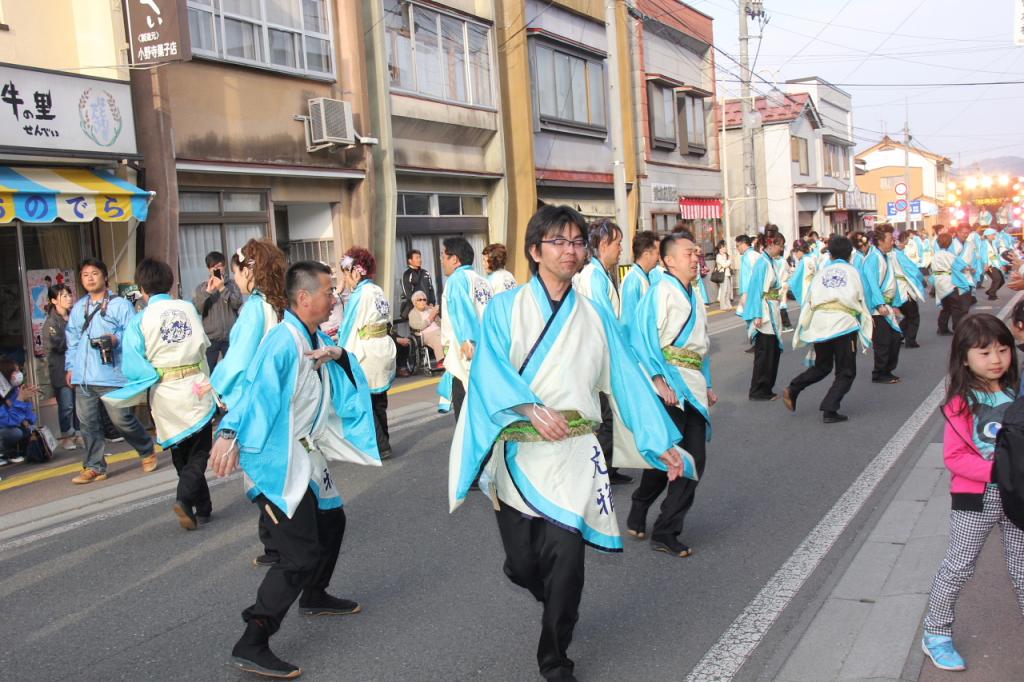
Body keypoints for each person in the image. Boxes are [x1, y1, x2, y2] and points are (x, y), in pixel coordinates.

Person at [448, 205, 692, 682]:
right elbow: (488, 372)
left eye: (578, 241)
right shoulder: (505, 308)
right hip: (518, 454)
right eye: (558, 241)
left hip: (576, 454)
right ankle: (552, 599)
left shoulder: (595, 315)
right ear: (535, 250)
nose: (570, 250)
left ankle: (555, 657)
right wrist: (527, 408)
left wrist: (657, 441)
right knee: (522, 566)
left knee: (566, 562)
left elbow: (623, 380)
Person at [208, 260, 382, 680]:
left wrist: (337, 353)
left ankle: (315, 595)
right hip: (277, 459)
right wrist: (230, 432)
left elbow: (341, 370)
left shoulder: (314, 335)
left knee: (333, 521)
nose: (335, 296)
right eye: (328, 291)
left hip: (306, 453)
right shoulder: (282, 341)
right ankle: (253, 640)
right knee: (298, 554)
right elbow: (255, 390)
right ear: (304, 298)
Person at [920, 314, 1024, 672]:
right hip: (977, 498)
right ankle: (936, 632)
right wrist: (999, 471)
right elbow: (955, 457)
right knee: (960, 566)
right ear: (964, 357)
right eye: (984, 352)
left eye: (1003, 349)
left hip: (1018, 495)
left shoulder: (1018, 392)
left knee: (1023, 566)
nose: (996, 359)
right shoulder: (961, 402)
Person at [103, 259, 217, 530]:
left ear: (142, 289)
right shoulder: (188, 308)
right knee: (200, 450)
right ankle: (186, 499)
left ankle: (201, 507)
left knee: (180, 451)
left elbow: (133, 365)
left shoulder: (140, 320)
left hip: (164, 390)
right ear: (171, 282)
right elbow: (202, 347)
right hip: (195, 385)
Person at [627, 230, 716, 557]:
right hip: (667, 384)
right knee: (672, 457)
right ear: (667, 259)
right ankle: (645, 509)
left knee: (691, 459)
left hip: (691, 386)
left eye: (696, 252)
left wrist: (706, 383)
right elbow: (641, 338)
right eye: (688, 253)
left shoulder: (695, 293)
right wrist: (658, 379)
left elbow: (701, 346)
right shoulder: (659, 291)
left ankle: (663, 527)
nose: (695, 257)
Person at [209, 239, 289, 567]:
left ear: (248, 270)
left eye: (237, 271)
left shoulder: (256, 307)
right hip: (286, 397)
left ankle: (284, 545)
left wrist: (218, 389)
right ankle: (276, 543)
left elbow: (239, 361)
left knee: (262, 475)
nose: (235, 278)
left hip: (258, 400)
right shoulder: (281, 304)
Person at [65, 258, 157, 484]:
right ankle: (94, 466)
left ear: (104, 277)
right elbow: (73, 341)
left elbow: (134, 334)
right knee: (88, 423)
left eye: (94, 273)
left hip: (112, 374)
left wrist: (117, 339)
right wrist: (70, 367)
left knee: (121, 419)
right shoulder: (79, 308)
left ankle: (146, 449)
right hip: (84, 377)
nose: (89, 278)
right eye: (85, 275)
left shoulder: (120, 305)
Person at [783, 236, 873, 423]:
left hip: (820, 323)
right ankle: (830, 408)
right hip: (843, 324)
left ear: (830, 254)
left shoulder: (821, 273)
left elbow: (808, 299)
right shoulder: (853, 271)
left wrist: (804, 325)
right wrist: (868, 318)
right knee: (846, 371)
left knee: (822, 366)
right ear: (850, 254)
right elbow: (863, 297)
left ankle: (794, 387)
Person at [574, 218, 634, 485]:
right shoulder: (594, 276)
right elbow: (606, 322)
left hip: (598, 356)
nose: (621, 248)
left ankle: (608, 467)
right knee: (605, 417)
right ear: (602, 244)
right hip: (598, 358)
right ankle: (602, 471)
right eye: (618, 243)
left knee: (606, 416)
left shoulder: (595, 274)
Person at [337, 246, 397, 460]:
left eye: (346, 273)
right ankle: (385, 443)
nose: (346, 279)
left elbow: (349, 325)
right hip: (382, 348)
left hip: (367, 351)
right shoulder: (377, 290)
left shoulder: (360, 294)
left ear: (355, 272)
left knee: (366, 400)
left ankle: (379, 445)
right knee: (379, 401)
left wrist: (340, 351)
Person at [437, 236, 492, 417]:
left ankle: (468, 444)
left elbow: (462, 313)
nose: (442, 261)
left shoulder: (456, 280)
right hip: (487, 347)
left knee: (466, 406)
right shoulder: (482, 280)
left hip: (465, 351)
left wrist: (468, 341)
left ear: (454, 259)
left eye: (444, 256)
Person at [742, 231, 786, 400]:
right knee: (765, 352)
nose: (781, 250)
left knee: (772, 352)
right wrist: (757, 314)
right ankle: (758, 389)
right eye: (780, 246)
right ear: (772, 244)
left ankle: (766, 387)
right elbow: (755, 290)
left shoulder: (769, 262)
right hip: (765, 311)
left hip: (771, 308)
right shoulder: (762, 263)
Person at [861, 225, 904, 384]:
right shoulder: (872, 258)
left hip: (887, 305)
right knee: (883, 341)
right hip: (878, 307)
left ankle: (886, 370)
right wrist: (879, 304)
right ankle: (879, 372)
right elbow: (871, 284)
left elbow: (893, 282)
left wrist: (896, 303)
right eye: (890, 239)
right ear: (879, 241)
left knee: (894, 339)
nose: (892, 242)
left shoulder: (885, 257)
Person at [193, 250, 243, 372]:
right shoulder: (202, 288)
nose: (218, 270)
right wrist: (208, 292)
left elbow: (237, 303)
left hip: (230, 336)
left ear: (225, 266)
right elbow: (197, 309)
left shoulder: (232, 285)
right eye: (214, 267)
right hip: (211, 338)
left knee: (232, 370)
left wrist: (222, 288)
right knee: (209, 371)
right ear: (209, 269)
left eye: (220, 266)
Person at [43, 284, 80, 450]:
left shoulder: (74, 317)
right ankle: (67, 435)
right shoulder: (51, 322)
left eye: (69, 295)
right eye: (63, 296)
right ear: (53, 300)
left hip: (77, 368)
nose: (68, 298)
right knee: (66, 405)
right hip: (60, 369)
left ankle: (78, 434)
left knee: (79, 403)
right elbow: (57, 345)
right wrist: (76, 338)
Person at [932, 231, 974, 336]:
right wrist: (969, 269)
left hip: (938, 281)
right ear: (950, 243)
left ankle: (942, 328)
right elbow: (959, 265)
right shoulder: (949, 255)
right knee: (956, 306)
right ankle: (957, 328)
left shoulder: (935, 255)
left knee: (946, 306)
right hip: (949, 282)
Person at [0, 358, 39, 465]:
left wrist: (24, 398)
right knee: (15, 433)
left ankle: (14, 452)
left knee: (30, 429)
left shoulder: (14, 390)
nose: (18, 374)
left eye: (18, 370)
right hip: (4, 429)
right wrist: (20, 400)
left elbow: (31, 418)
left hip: (10, 426)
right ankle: (3, 453)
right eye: (15, 371)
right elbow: (9, 421)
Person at [619, 230, 660, 326]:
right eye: (657, 253)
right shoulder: (633, 280)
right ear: (646, 254)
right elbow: (629, 320)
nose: (659, 258)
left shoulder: (645, 276)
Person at [893, 231, 926, 349]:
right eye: (906, 239)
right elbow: (912, 269)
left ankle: (898, 335)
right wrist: (921, 279)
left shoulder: (888, 254)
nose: (907, 242)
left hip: (893, 289)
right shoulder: (898, 254)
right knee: (913, 315)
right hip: (904, 288)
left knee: (907, 315)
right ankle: (910, 339)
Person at [407, 290, 444, 363]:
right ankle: (441, 361)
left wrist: (436, 315)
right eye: (419, 300)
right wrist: (430, 317)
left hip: (439, 331)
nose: (422, 301)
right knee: (438, 339)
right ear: (414, 302)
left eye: (424, 299)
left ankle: (451, 359)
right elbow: (418, 326)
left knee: (450, 336)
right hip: (426, 334)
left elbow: (440, 323)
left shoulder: (430, 309)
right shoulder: (412, 314)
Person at [400, 249, 436, 320]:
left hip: (427, 309)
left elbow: (431, 289)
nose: (420, 260)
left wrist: (431, 303)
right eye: (417, 258)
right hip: (414, 310)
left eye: (420, 257)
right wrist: (419, 305)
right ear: (410, 260)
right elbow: (408, 293)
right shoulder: (407, 274)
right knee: (417, 330)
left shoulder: (425, 273)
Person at [981, 228, 1006, 300]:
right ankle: (992, 295)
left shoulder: (993, 243)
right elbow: (983, 255)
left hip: (994, 264)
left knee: (1002, 280)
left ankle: (990, 291)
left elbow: (995, 255)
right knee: (997, 278)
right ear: (988, 235)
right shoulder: (984, 244)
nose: (994, 236)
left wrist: (1001, 264)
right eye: (993, 234)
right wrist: (985, 264)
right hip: (989, 265)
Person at [713, 240, 733, 311]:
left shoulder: (726, 255)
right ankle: (723, 306)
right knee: (724, 290)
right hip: (722, 275)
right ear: (721, 248)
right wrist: (729, 261)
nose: (726, 248)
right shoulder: (718, 256)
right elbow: (724, 265)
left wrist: (728, 261)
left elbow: (728, 264)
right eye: (724, 246)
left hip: (727, 274)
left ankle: (728, 304)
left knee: (728, 290)